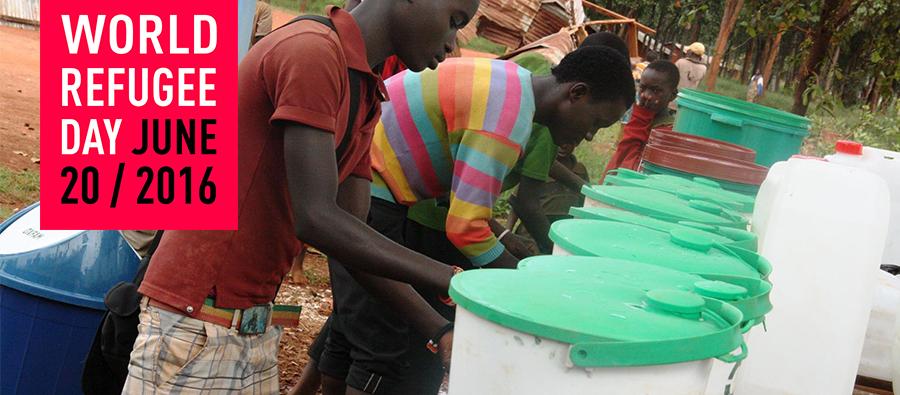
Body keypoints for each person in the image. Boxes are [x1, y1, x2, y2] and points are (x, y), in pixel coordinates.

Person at [123, 1, 480, 393]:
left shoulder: (365, 90)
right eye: (454, 21)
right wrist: (454, 279)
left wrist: (439, 329)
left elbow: (353, 240)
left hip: (250, 325)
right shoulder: (312, 51)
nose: (451, 43)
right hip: (197, 324)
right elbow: (317, 218)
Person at [312, 46, 634, 395]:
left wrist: (501, 236)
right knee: (383, 347)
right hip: (372, 186)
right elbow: (466, 228)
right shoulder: (509, 120)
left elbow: (463, 191)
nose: (590, 136)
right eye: (597, 123)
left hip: (356, 171)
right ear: (577, 93)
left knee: (352, 328)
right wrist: (527, 285)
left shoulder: (513, 82)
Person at [602, 60, 680, 179]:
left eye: (655, 90)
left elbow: (632, 168)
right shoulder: (639, 118)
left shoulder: (667, 131)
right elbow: (620, 157)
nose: (645, 95)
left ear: (673, 95)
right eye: (642, 88)